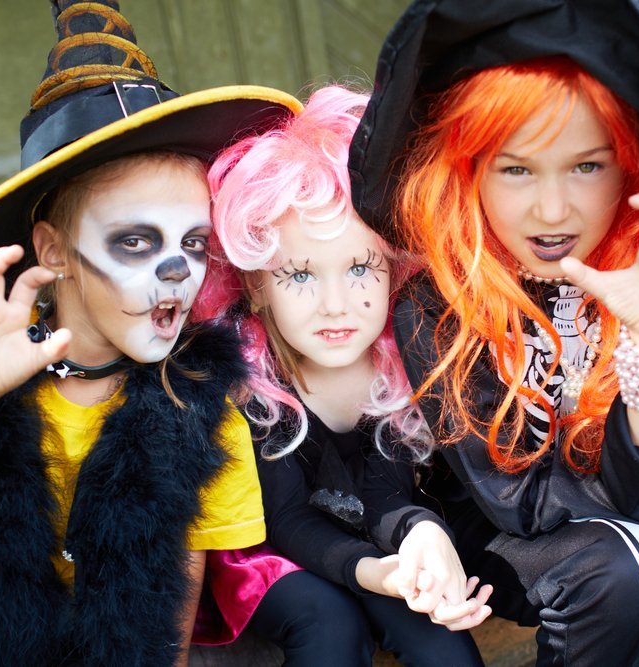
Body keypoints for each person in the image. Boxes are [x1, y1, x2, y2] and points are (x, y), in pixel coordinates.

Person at [347, 1, 639, 665]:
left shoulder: (635, 273)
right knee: (624, 559)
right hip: (500, 528)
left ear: (630, 167)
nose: (552, 210)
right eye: (516, 168)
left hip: (610, 486)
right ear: (466, 171)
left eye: (587, 166)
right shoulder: (434, 308)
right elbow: (521, 506)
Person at [0, 2, 299, 665]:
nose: (176, 274)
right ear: (54, 251)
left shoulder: (199, 401)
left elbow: (173, 598)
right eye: (135, 240)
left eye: (194, 243)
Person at [195, 84, 491, 666]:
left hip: (364, 535)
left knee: (435, 632)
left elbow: (385, 491)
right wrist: (374, 571)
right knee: (329, 624)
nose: (336, 304)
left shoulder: (397, 361)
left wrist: (418, 534)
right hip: (267, 554)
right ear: (256, 283)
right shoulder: (248, 381)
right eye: (300, 275)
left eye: (360, 267)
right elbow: (288, 520)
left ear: (395, 267)